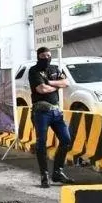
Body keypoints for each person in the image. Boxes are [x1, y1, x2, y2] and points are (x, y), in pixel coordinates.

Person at [28, 47, 75, 188]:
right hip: (41, 111)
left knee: (66, 140)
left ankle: (57, 172)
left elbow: (66, 83)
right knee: (41, 143)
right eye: (43, 56)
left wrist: (49, 83)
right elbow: (41, 89)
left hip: (56, 111)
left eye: (49, 55)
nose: (47, 58)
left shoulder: (55, 68)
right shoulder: (34, 70)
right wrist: (57, 85)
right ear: (38, 57)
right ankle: (44, 176)